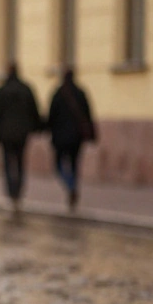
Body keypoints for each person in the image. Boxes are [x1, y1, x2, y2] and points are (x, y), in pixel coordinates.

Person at [0, 63, 42, 209]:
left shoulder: (2, 91)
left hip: (5, 134)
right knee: (20, 161)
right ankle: (19, 190)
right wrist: (35, 128)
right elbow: (34, 111)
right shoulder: (26, 89)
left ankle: (11, 191)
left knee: (7, 162)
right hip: (22, 133)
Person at [46, 69, 95, 209]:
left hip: (60, 137)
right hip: (77, 137)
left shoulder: (58, 94)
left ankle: (70, 185)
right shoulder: (80, 93)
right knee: (74, 165)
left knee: (58, 166)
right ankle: (73, 186)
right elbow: (88, 114)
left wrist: (48, 130)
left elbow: (51, 116)